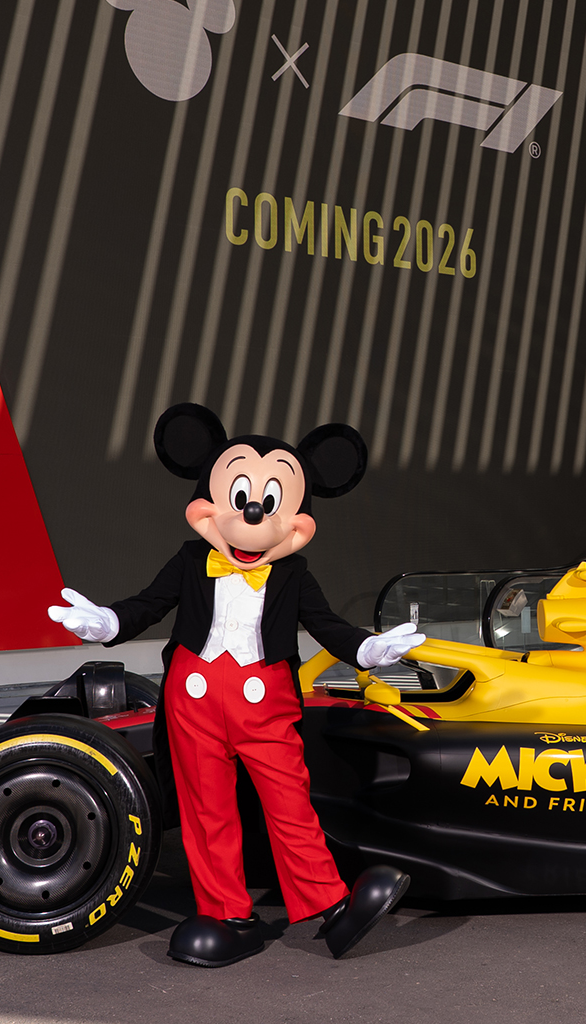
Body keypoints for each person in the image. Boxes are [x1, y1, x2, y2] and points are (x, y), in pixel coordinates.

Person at [46, 403, 422, 967]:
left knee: (288, 801)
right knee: (206, 810)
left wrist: (367, 650)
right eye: (240, 496)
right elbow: (149, 604)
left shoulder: (293, 573)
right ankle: (225, 914)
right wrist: (108, 623)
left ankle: (330, 906)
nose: (251, 514)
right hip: (193, 696)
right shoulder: (191, 559)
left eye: (271, 503)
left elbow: (326, 625)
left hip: (265, 700)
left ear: (298, 517)